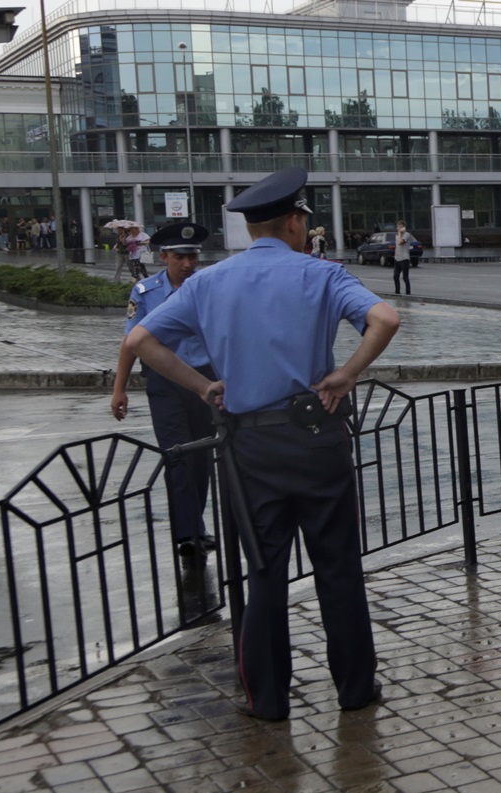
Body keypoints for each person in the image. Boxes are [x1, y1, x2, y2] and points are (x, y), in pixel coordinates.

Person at [126, 166, 401, 722]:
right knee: (338, 567)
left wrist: (205, 387)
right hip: (318, 438)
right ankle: (354, 689)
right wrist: (346, 373)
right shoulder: (321, 274)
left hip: (248, 448)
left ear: (253, 230)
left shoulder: (207, 282)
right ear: (295, 222)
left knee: (265, 573)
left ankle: (268, 699)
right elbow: (385, 317)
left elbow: (140, 340)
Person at [111, 222, 218, 560]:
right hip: (164, 384)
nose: (187, 264)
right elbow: (131, 343)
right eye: (180, 257)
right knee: (178, 456)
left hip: (203, 380)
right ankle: (186, 533)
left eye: (192, 257)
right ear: (164, 256)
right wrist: (120, 389)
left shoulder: (206, 288)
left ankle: (196, 525)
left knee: (201, 458)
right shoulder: (145, 292)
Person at [392, 219, 415, 295]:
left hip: (405, 259)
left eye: (401, 226)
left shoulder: (406, 234)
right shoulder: (397, 235)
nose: (399, 228)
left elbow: (401, 242)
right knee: (395, 276)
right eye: (398, 226)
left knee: (405, 277)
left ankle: (408, 292)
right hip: (397, 258)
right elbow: (397, 246)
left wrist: (400, 233)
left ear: (404, 227)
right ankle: (397, 291)